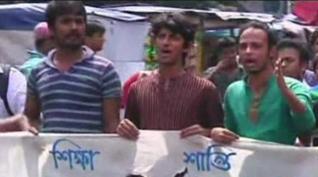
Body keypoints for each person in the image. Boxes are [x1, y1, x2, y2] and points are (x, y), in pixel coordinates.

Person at [117, 12, 223, 140]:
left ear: (187, 47)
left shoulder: (205, 90)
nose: (166, 42)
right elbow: (130, 136)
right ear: (154, 42)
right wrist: (124, 129)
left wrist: (207, 133)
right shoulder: (137, 89)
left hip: (188, 159)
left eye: (174, 38)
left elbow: (219, 136)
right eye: (161, 36)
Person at [210, 21, 315, 145]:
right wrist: (216, 133)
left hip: (284, 163)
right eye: (243, 46)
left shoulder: (294, 87)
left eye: (256, 46)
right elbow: (230, 136)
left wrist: (285, 92)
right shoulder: (233, 91)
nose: (248, 51)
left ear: (272, 51)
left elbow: (307, 124)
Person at [25, 1, 121, 133]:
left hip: (95, 153)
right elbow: (30, 118)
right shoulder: (38, 72)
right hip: (51, 153)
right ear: (51, 29)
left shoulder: (105, 70)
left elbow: (112, 125)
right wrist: (32, 132)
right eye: (66, 22)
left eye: (79, 21)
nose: (74, 27)